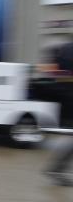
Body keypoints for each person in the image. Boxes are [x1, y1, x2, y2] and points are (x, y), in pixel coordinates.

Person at [44, 35, 73, 186]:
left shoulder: (65, 48)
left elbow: (52, 74)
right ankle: (57, 169)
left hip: (66, 95)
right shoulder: (69, 49)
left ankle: (56, 169)